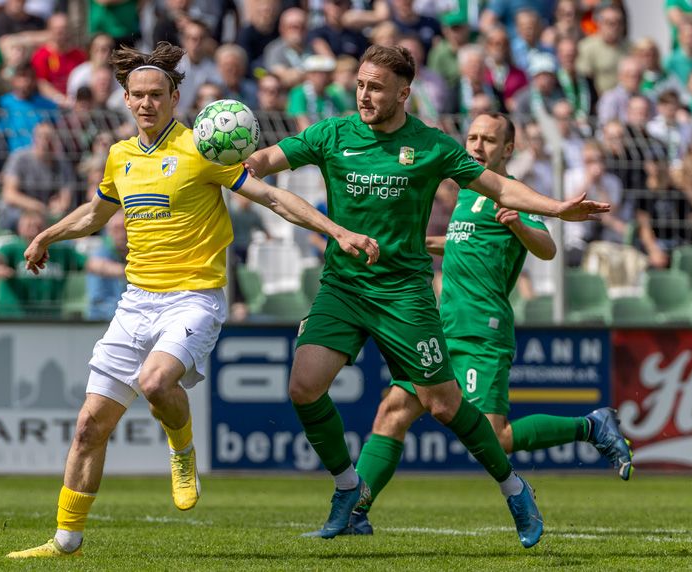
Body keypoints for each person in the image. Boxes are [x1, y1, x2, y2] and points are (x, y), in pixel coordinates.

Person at [5, 41, 379, 559]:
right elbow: (96, 215)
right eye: (136, 95)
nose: (145, 104)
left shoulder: (204, 149)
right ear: (126, 99)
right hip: (135, 301)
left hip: (193, 298)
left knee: (156, 381)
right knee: (90, 425)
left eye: (155, 95)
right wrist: (47, 236)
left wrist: (335, 230)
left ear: (175, 97)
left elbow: (272, 196)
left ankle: (181, 448)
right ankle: (64, 539)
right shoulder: (120, 156)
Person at [245, 44, 609, 546]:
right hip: (344, 286)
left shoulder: (432, 145)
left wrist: (556, 208)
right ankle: (348, 489)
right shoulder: (332, 133)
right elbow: (267, 158)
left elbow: (499, 188)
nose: (365, 95)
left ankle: (514, 488)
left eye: (376, 87)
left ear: (404, 93)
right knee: (303, 386)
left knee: (442, 405)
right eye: (360, 85)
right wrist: (245, 158)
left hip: (404, 294)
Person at [348, 112, 633, 536]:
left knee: (495, 436)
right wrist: (415, 243)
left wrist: (519, 223)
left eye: (488, 140)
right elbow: (467, 238)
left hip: (482, 330)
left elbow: (548, 249)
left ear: (508, 150)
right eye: (472, 137)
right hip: (440, 328)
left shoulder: (513, 195)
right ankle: (354, 514)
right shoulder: (466, 191)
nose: (477, 146)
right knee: (392, 411)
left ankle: (591, 427)